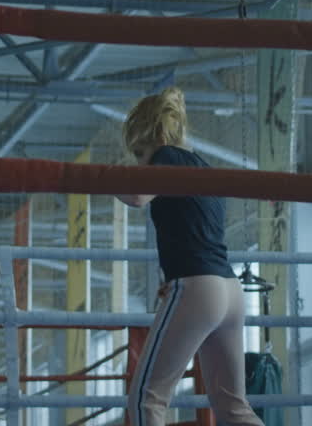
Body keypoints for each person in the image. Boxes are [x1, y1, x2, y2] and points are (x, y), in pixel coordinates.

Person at [117, 87, 265, 426]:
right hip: (229, 291)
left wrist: (100, 180)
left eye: (140, 153)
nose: (141, 162)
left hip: (197, 288)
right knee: (233, 407)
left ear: (151, 137)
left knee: (146, 398)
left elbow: (138, 195)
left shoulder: (165, 156)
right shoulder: (203, 167)